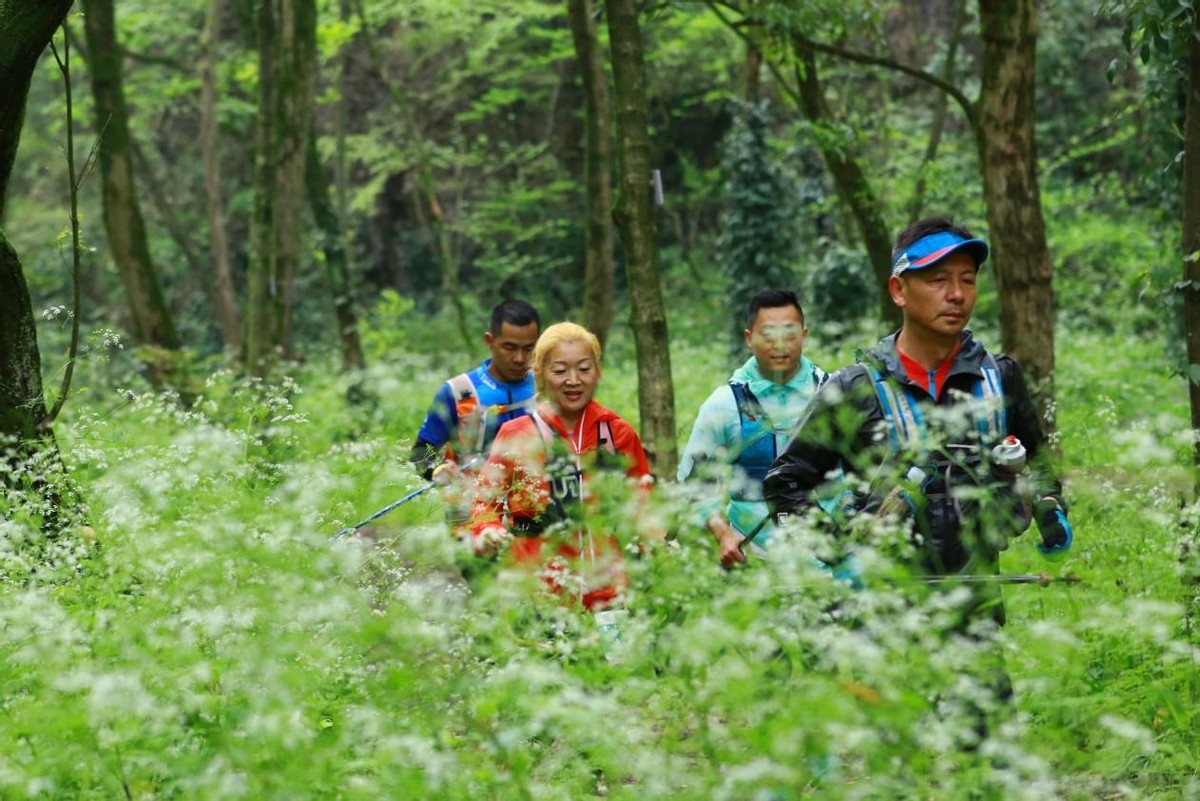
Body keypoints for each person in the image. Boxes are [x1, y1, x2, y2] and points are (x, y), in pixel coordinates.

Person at [763, 217, 1073, 607]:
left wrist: (1050, 507)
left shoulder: (999, 379)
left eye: (968, 279)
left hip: (975, 614)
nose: (956, 294)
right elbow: (784, 484)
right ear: (899, 290)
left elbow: (1040, 463)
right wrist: (831, 551)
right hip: (878, 618)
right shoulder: (854, 389)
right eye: (938, 280)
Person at [466, 321, 655, 612]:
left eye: (584, 368)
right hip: (536, 590)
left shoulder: (618, 433)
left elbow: (643, 505)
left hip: (609, 589)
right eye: (560, 371)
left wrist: (654, 547)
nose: (573, 380)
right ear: (538, 374)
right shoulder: (515, 434)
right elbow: (484, 503)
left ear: (597, 371)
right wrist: (488, 531)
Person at [677, 289, 827, 568]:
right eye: (768, 334)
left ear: (805, 335)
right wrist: (723, 534)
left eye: (790, 333)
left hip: (829, 561)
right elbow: (693, 485)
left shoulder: (832, 394)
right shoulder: (725, 404)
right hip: (755, 561)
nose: (779, 345)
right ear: (749, 338)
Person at [410, 299, 540, 524]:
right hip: (470, 514)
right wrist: (438, 470)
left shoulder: (547, 387)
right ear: (490, 341)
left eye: (529, 349)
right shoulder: (459, 392)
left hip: (533, 513)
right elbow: (421, 452)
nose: (520, 358)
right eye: (510, 347)